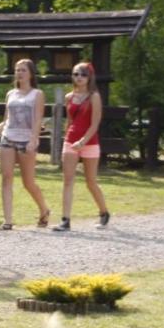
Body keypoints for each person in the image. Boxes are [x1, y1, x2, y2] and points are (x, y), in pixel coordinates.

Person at [0, 59, 51, 229]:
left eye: (23, 70)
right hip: (8, 138)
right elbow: (6, 121)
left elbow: (38, 119)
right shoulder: (11, 94)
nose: (19, 73)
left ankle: (44, 209)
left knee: (28, 182)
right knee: (6, 178)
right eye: (17, 70)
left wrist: (34, 139)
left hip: (26, 141)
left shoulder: (37, 94)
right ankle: (8, 221)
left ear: (31, 73)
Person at [53, 62, 109, 231]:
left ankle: (104, 212)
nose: (79, 77)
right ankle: (65, 219)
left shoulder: (94, 96)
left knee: (90, 182)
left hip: (89, 142)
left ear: (89, 77)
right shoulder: (69, 97)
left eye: (83, 74)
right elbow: (70, 121)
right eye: (76, 74)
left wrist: (83, 141)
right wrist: (68, 138)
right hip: (71, 141)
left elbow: (95, 123)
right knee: (68, 180)